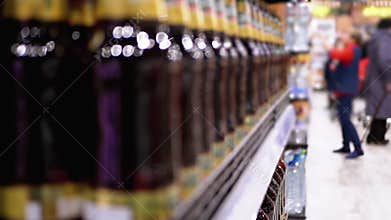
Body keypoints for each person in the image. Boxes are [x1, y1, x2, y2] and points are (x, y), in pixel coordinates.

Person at [328, 31, 364, 159]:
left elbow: (335, 53)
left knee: (346, 119)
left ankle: (358, 148)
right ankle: (346, 145)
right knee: (343, 119)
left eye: (346, 35)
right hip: (343, 89)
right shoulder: (352, 49)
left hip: (346, 90)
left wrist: (324, 42)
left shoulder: (352, 50)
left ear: (353, 38)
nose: (343, 36)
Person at [365, 18, 391, 145]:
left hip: (374, 78)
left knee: (378, 108)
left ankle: (374, 136)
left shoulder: (376, 38)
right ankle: (377, 137)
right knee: (382, 108)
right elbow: (385, 60)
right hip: (381, 80)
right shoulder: (384, 40)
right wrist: (388, 79)